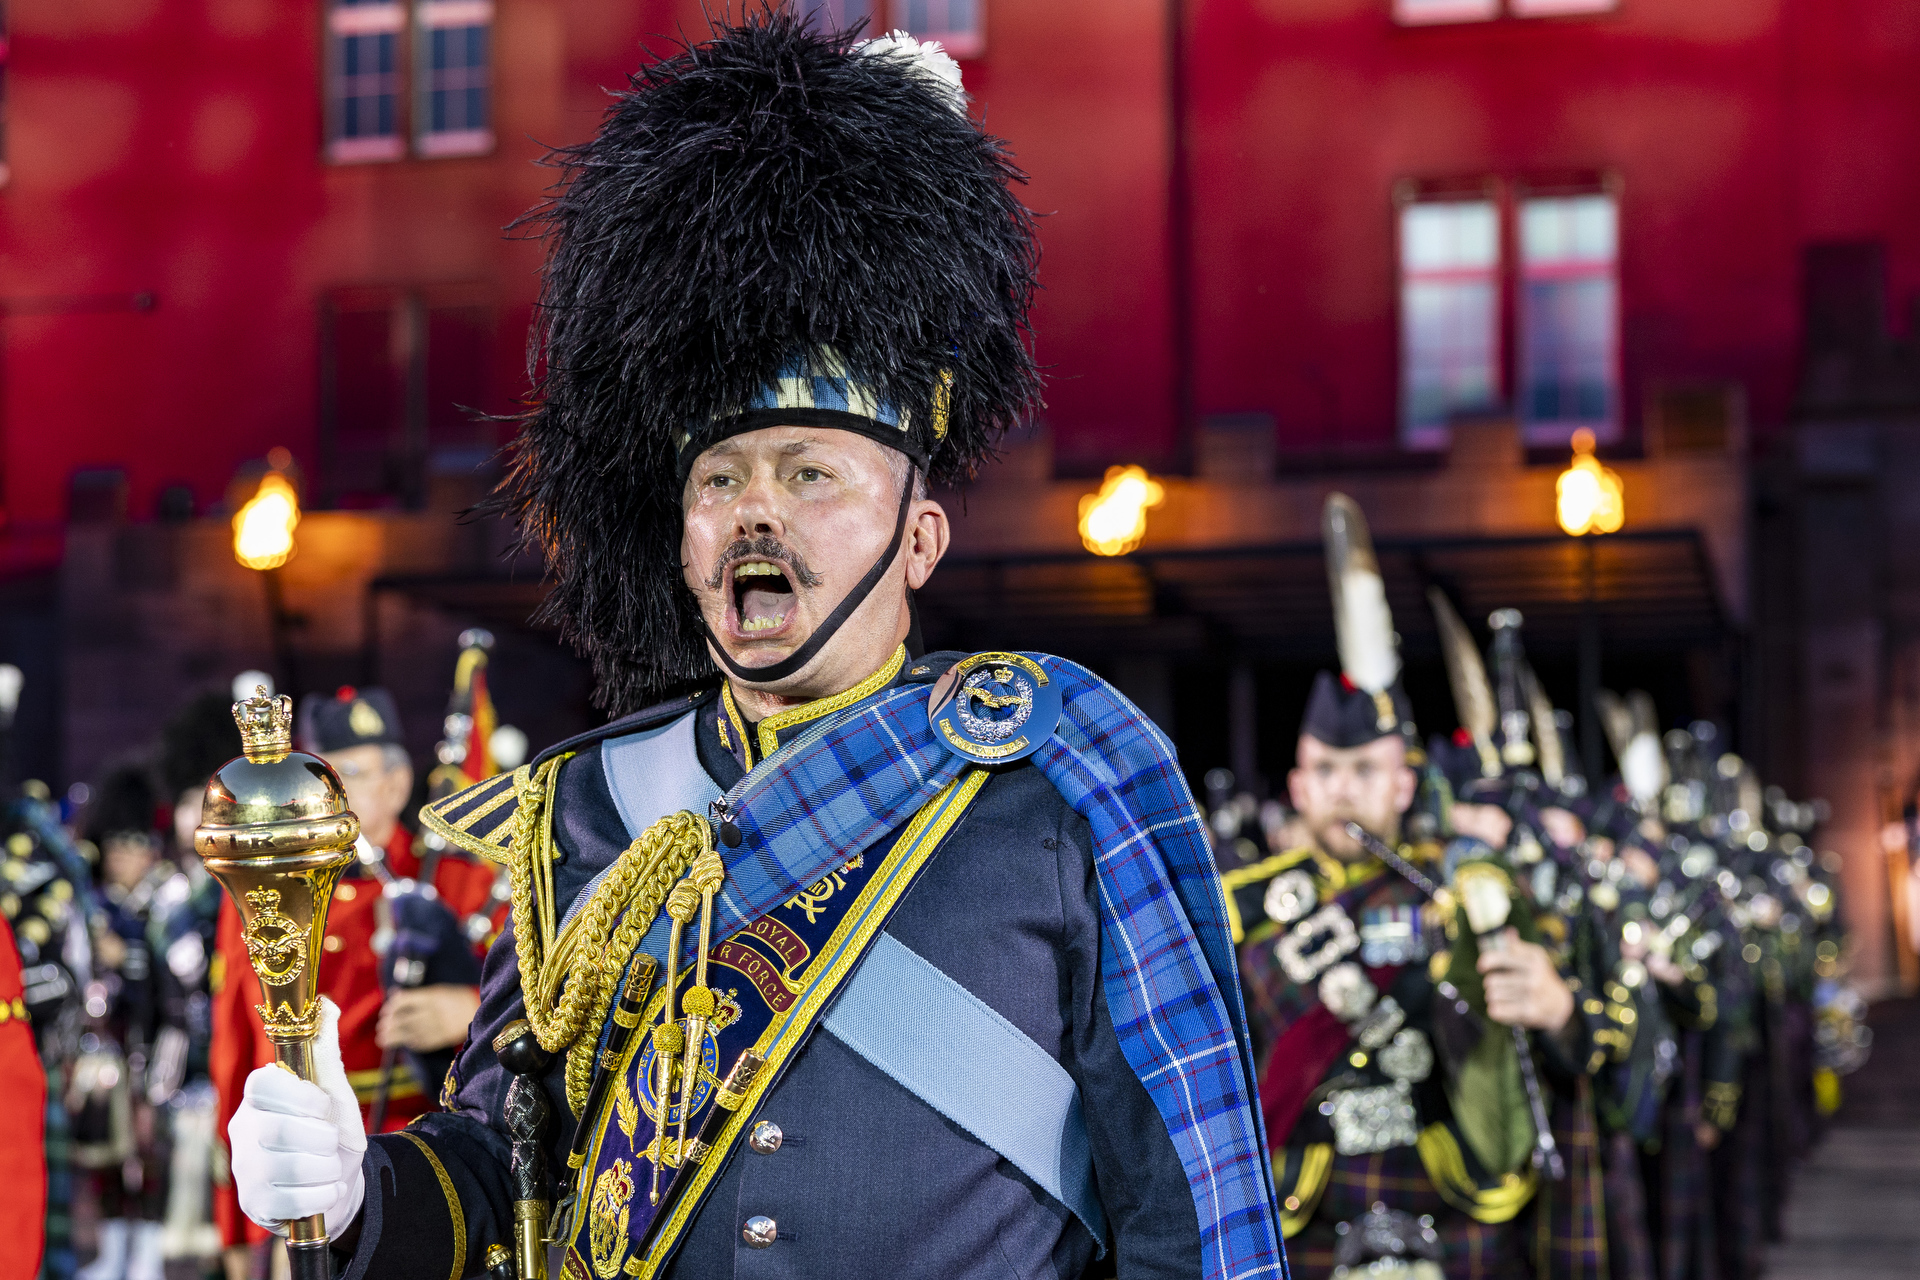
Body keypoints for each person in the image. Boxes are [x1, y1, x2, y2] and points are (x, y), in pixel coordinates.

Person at [222, 14, 1282, 1280]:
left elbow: (1192, 1215)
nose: (756, 510)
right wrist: (358, 1191)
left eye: (811, 469)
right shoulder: (587, 806)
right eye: (720, 477)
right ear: (680, 536)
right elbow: (514, 1166)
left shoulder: (1066, 775)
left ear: (921, 536)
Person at [209, 686, 483, 1269]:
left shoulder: (462, 883)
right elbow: (235, 1055)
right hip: (304, 1174)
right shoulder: (269, 890)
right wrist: (235, 1228)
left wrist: (468, 1009)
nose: (344, 790)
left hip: (432, 1160)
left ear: (400, 782)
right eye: (332, 774)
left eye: (360, 771)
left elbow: (538, 1006)